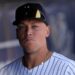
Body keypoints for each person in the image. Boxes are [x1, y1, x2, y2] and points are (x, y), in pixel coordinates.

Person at [0, 2, 75, 75]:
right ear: (17, 33)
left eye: (34, 26)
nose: (28, 32)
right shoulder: (4, 72)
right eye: (22, 27)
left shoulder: (68, 69)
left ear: (47, 31)